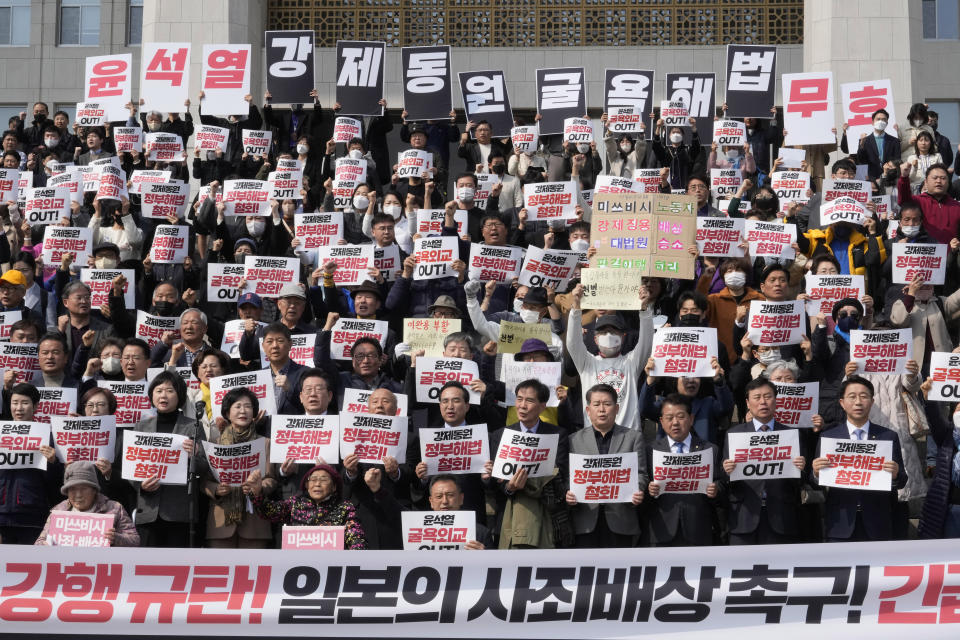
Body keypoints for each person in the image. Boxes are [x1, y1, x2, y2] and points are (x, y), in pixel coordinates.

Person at [812, 376, 908, 542]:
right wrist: (815, 473)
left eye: (864, 396)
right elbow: (815, 481)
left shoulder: (887, 436)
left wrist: (895, 474)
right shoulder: (829, 437)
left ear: (872, 401)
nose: (858, 402)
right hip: (840, 523)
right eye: (852, 396)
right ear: (842, 403)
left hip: (877, 524)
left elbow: (902, 481)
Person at [127, 370, 209, 547]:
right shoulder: (141, 426)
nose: (163, 395)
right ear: (151, 395)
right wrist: (141, 485)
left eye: (170, 391)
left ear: (179, 396)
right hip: (148, 509)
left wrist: (194, 455)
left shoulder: (192, 427)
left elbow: (204, 469)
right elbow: (131, 467)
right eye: (158, 390)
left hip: (179, 512)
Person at [721, 378, 806, 545]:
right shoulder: (734, 434)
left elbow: (802, 480)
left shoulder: (792, 434)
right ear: (747, 402)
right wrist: (727, 471)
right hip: (744, 517)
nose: (763, 402)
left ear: (776, 400)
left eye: (768, 396)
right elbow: (724, 479)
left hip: (782, 517)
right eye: (757, 397)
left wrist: (801, 469)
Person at [565, 383, 647, 548]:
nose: (602, 409)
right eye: (596, 404)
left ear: (616, 409)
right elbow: (568, 476)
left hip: (621, 518)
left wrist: (638, 491)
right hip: (585, 520)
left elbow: (641, 474)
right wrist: (569, 492)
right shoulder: (573, 440)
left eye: (607, 404)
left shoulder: (633, 437)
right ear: (588, 411)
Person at [566, 283, 653, 431]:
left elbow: (647, 341)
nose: (608, 335)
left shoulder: (631, 363)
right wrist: (576, 306)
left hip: (628, 435)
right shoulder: (587, 363)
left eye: (613, 332)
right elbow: (572, 343)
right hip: (594, 435)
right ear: (595, 339)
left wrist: (644, 309)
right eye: (603, 332)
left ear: (623, 337)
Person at [489, 379, 565, 549]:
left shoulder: (557, 434)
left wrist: (527, 482)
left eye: (529, 401)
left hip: (546, 514)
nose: (522, 406)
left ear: (543, 406)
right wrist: (509, 487)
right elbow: (494, 481)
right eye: (519, 399)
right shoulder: (501, 435)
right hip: (510, 512)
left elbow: (559, 473)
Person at [646, 393, 720, 546]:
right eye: (669, 418)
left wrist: (716, 490)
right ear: (661, 421)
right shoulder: (650, 450)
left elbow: (723, 485)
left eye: (680, 417)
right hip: (661, 530)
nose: (675, 423)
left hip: (699, 528)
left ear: (691, 419)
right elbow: (641, 487)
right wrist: (649, 490)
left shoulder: (709, 449)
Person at [204, 387, 274, 548]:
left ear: (254, 412)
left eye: (248, 406)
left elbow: (271, 479)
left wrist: (259, 487)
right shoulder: (215, 443)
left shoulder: (265, 443)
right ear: (227, 413)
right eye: (238, 406)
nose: (243, 411)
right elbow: (204, 481)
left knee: (253, 571)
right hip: (221, 522)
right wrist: (216, 489)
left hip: (255, 522)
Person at [245, 463, 366, 549]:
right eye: (313, 480)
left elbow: (356, 537)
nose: (317, 484)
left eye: (324, 480)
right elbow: (268, 511)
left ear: (334, 487)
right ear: (307, 485)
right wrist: (256, 493)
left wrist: (356, 555)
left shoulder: (344, 508)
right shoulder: (295, 504)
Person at [0, 383, 60, 543]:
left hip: (31, 515)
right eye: (15, 403)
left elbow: (54, 484)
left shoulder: (48, 437)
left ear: (35, 406)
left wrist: (53, 463)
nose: (19, 408)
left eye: (24, 403)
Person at [35, 461, 139, 547]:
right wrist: (45, 546)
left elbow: (135, 540)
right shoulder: (59, 512)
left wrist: (116, 538)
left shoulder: (114, 508)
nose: (78, 495)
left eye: (84, 489)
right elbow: (39, 543)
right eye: (72, 490)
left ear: (94, 490)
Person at [897, 162, 960, 245]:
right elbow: (904, 200)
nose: (939, 181)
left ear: (948, 182)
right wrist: (904, 177)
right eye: (935, 178)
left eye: (943, 178)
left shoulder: (957, 206)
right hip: (924, 256)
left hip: (951, 255)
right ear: (926, 181)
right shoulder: (917, 201)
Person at [427, 475, 493, 549]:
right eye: (439, 496)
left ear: (461, 498)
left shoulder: (481, 533)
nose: (445, 501)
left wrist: (484, 555)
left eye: (450, 495)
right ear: (431, 501)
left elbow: (493, 560)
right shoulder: (414, 532)